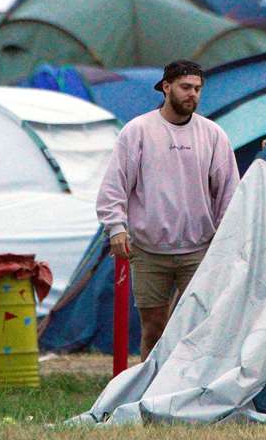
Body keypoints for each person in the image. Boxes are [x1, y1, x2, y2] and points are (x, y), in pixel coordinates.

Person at [95, 59, 240, 359]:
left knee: (197, 327)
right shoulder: (138, 131)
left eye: (198, 89)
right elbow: (115, 184)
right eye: (186, 87)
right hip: (148, 249)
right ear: (166, 87)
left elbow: (229, 191)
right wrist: (116, 228)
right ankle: (147, 390)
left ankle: (190, 392)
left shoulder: (213, 135)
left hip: (199, 249)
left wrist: (226, 239)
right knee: (154, 326)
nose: (193, 95)